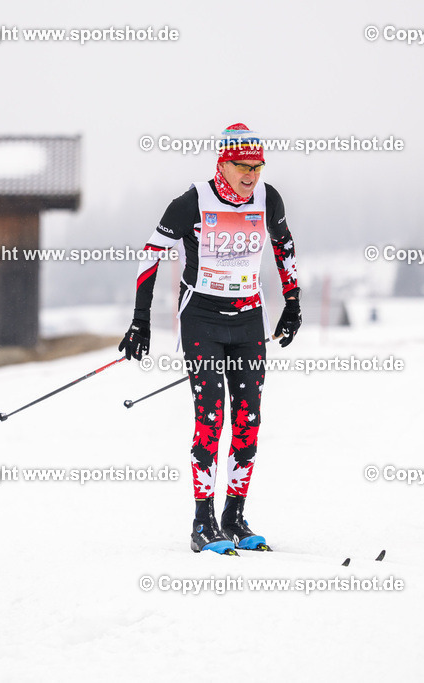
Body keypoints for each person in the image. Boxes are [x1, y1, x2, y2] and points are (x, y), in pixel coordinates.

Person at [119, 123, 302, 555]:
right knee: (211, 419)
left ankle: (234, 518)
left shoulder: (267, 198)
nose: (250, 175)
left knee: (248, 421)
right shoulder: (191, 203)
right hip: (201, 318)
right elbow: (151, 255)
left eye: (257, 166)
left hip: (248, 320)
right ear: (223, 162)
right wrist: (140, 319)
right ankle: (203, 523)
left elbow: (284, 245)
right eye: (242, 165)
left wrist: (292, 302)